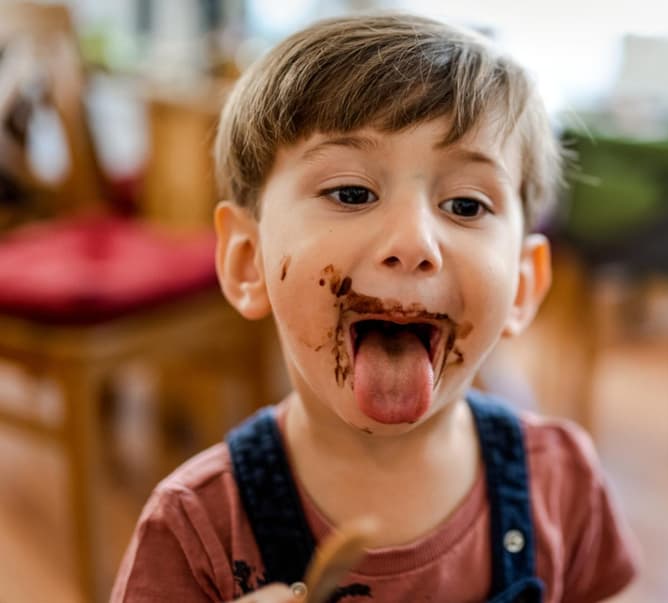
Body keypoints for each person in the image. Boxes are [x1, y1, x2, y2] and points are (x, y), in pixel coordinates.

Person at [111, 11, 638, 603]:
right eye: (352, 193)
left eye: (465, 205)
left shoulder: (562, 483)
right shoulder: (193, 529)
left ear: (522, 285)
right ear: (247, 261)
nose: (413, 244)